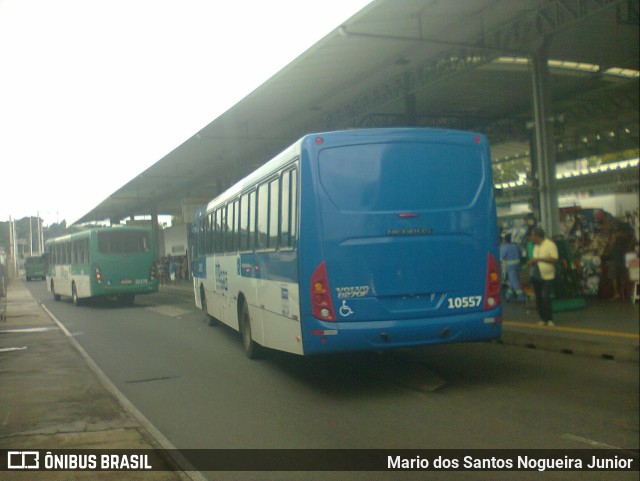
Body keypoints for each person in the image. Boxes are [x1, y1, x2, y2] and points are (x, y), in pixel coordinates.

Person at [528, 227, 558, 327]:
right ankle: (542, 318)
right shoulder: (535, 246)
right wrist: (532, 262)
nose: (531, 238)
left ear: (537, 236)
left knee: (546, 297)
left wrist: (538, 259)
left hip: (547, 276)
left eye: (532, 236)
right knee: (539, 298)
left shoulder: (550, 245)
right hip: (536, 275)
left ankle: (549, 319)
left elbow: (554, 259)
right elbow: (535, 259)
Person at [500, 234, 525, 302]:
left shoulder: (504, 247)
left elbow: (501, 257)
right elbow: (520, 254)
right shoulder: (516, 246)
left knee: (515, 282)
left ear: (505, 240)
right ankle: (508, 296)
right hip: (518, 266)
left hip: (510, 267)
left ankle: (521, 297)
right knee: (512, 281)